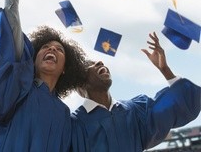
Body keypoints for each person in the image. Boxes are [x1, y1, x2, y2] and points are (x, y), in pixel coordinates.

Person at [0, 0, 87, 151]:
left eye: (59, 50)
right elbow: (12, 30)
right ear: (33, 58)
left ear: (64, 70)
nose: (51, 49)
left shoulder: (63, 113)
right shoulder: (17, 88)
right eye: (46, 47)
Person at [71, 32, 201, 152]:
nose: (100, 62)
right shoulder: (73, 125)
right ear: (80, 84)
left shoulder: (136, 111)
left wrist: (165, 69)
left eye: (98, 61)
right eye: (90, 64)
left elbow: (182, 105)